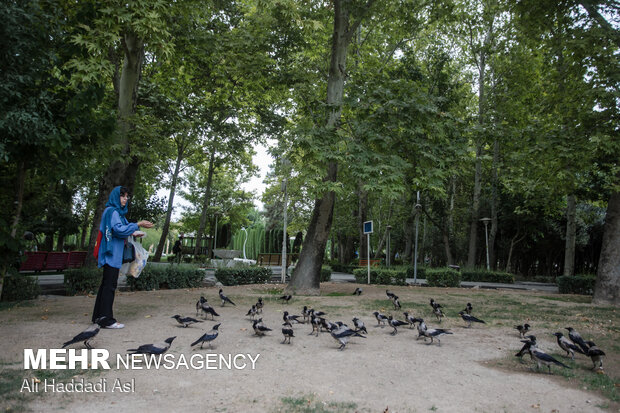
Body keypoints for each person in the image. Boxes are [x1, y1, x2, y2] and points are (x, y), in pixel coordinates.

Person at [92, 186, 153, 329]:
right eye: (122, 196)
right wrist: (137, 224)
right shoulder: (112, 211)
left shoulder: (117, 213)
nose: (125, 199)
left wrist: (134, 232)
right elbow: (119, 230)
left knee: (106, 285)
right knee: (110, 286)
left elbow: (122, 229)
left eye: (127, 196)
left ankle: (98, 317)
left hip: (112, 254)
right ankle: (107, 320)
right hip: (111, 253)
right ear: (115, 197)